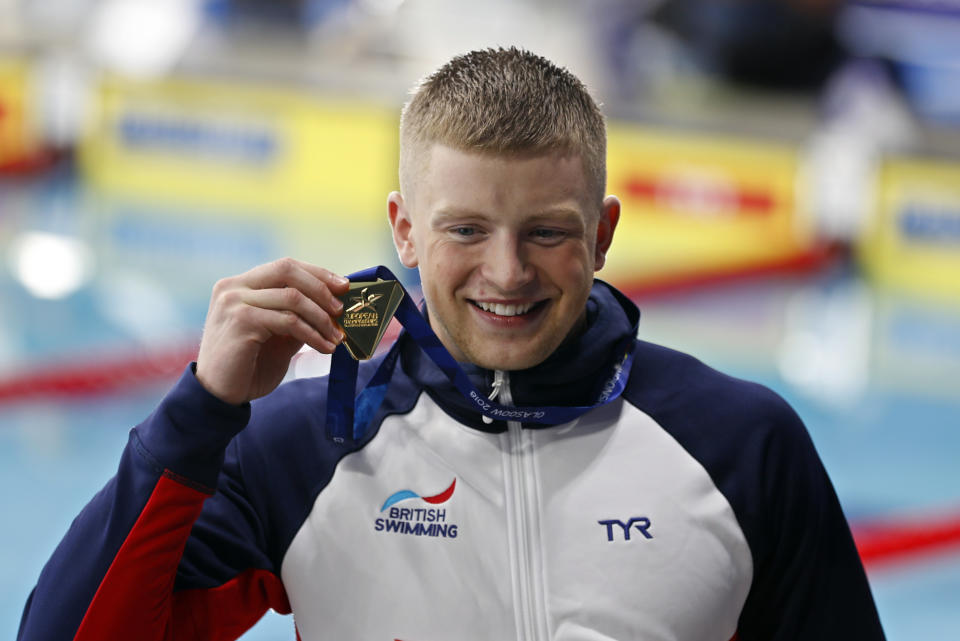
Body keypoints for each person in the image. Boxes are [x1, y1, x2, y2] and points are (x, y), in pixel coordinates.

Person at [18, 47, 885, 640]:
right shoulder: (301, 447)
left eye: (547, 232)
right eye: (465, 229)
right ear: (404, 228)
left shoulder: (739, 443)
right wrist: (200, 412)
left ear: (605, 231)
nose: (506, 273)